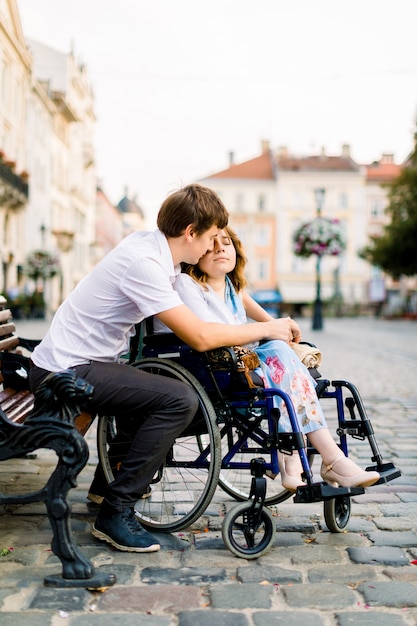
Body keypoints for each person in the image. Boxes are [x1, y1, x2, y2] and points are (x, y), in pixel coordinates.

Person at [29, 184, 304, 554]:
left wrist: (273, 321)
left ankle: (103, 486)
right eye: (209, 238)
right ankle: (115, 511)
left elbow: (229, 291)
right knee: (178, 399)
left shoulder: (157, 251)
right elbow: (201, 337)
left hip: (87, 363)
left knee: (162, 392)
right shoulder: (145, 264)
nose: (212, 247)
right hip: (65, 371)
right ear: (190, 232)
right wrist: (269, 329)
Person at [157, 226, 380, 491]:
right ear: (196, 253)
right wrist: (271, 333)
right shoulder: (187, 285)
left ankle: (300, 457)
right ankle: (323, 459)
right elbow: (210, 336)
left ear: (236, 252)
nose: (220, 249)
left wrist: (284, 327)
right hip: (215, 367)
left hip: (243, 363)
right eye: (211, 244)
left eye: (226, 243)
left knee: (282, 356)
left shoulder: (234, 288)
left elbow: (271, 323)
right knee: (279, 357)